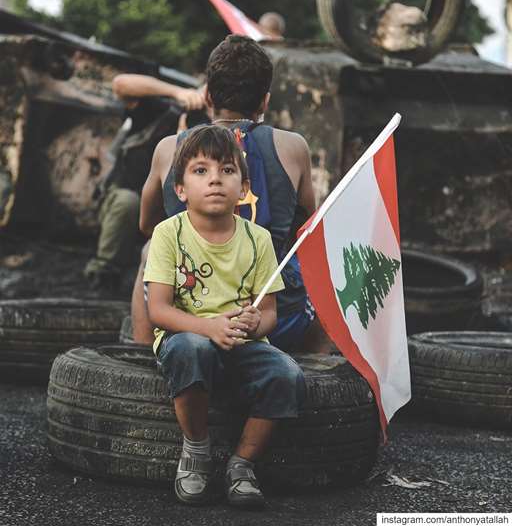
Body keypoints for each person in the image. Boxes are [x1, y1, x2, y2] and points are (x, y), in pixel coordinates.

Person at [134, 35, 334, 353]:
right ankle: (311, 366)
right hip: (272, 319)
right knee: (321, 266)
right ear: (265, 102)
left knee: (151, 253)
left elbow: (146, 224)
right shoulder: (293, 147)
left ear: (209, 96)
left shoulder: (170, 149)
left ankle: (146, 358)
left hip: (190, 318)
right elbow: (308, 228)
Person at [144, 124, 305, 508]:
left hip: (242, 343)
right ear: (180, 190)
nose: (215, 180)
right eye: (201, 171)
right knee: (192, 349)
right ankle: (197, 450)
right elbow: (159, 310)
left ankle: (242, 464)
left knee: (288, 376)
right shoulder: (170, 233)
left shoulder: (258, 239)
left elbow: (269, 314)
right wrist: (208, 327)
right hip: (187, 335)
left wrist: (254, 324)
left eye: (227, 171)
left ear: (244, 188)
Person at [83, 73, 205, 292]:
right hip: (130, 199)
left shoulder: (214, 130)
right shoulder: (161, 112)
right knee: (127, 202)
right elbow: (120, 84)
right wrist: (178, 93)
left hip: (175, 208)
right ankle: (103, 275)